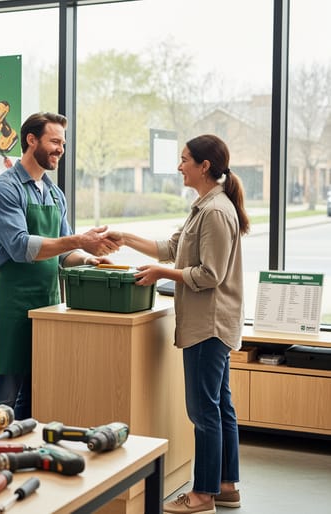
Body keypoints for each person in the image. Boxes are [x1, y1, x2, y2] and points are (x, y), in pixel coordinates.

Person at [108, 134, 246, 514]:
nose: (179, 166)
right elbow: (171, 248)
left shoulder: (215, 211)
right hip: (211, 323)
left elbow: (210, 275)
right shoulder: (204, 206)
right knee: (220, 406)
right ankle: (226, 485)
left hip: (208, 326)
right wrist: (124, 238)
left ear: (204, 166)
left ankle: (202, 495)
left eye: (185, 159)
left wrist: (160, 274)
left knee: (203, 412)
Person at [0, 112, 118, 420]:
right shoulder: (4, 189)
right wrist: (79, 240)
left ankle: (23, 445)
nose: (60, 149)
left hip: (48, 303)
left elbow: (63, 254)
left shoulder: (55, 194)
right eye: (55, 141)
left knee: (38, 390)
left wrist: (89, 260)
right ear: (31, 140)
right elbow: (21, 247)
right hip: (13, 303)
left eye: (63, 143)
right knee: (6, 390)